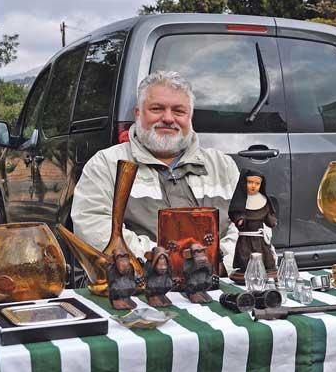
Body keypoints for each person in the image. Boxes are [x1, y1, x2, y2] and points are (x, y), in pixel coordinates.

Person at [71, 71, 240, 275]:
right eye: (157, 109)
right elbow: (92, 226)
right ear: (137, 113)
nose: (168, 118)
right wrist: (164, 263)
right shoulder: (106, 165)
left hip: (217, 287)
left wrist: (218, 263)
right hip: (139, 292)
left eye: (179, 111)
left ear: (190, 117)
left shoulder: (222, 165)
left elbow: (251, 227)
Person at [229, 169, 278, 272]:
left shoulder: (264, 200)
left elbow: (268, 217)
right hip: (245, 239)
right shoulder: (241, 201)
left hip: (259, 239)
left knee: (266, 259)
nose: (253, 186)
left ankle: (266, 272)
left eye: (257, 183)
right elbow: (235, 212)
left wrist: (272, 221)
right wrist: (239, 220)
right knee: (245, 260)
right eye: (250, 182)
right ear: (244, 183)